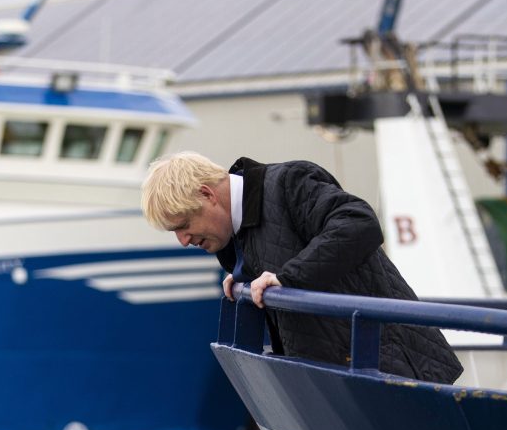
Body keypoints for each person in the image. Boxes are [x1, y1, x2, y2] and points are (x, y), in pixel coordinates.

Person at [141, 151, 463, 384]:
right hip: (350, 382)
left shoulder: (288, 183)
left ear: (208, 194)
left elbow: (359, 223)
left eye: (183, 225)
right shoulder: (239, 235)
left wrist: (287, 278)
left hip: (399, 373)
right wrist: (243, 277)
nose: (182, 240)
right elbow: (274, 252)